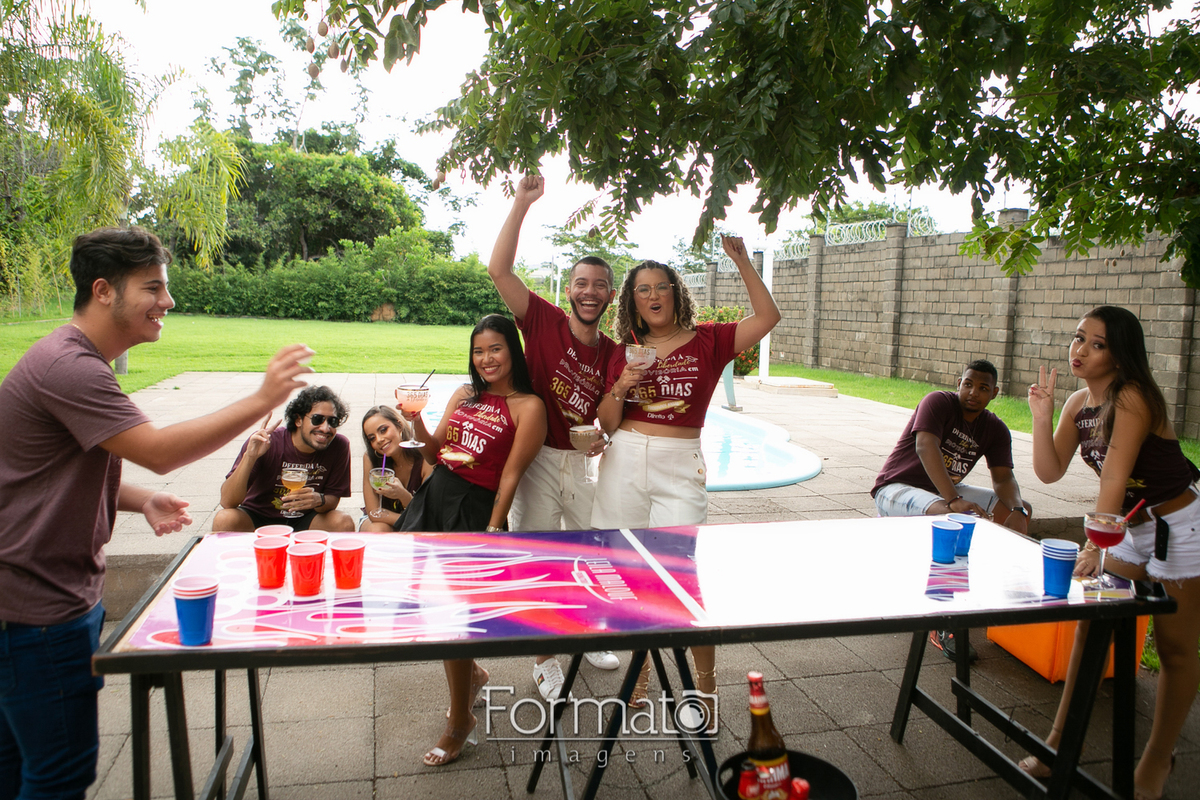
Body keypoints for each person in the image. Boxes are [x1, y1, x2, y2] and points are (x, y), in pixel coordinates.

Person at [0, 226, 312, 800]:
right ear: (103, 291)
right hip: (36, 609)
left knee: (17, 767)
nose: (167, 301)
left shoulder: (70, 358)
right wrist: (264, 399)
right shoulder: (70, 366)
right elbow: (161, 451)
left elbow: (44, 474)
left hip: (32, 601)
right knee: (57, 776)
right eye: (153, 287)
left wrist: (140, 498)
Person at [593, 236, 780, 726]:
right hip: (624, 458)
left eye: (661, 287)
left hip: (680, 463)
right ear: (632, 302)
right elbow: (607, 423)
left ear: (676, 293)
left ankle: (705, 685)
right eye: (642, 290)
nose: (653, 296)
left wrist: (743, 262)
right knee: (631, 573)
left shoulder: (710, 341)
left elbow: (767, 317)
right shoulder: (624, 352)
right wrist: (621, 386)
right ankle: (639, 677)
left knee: (683, 577)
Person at [1022, 306, 1199, 800]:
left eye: (1096, 344)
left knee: (1175, 648)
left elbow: (1115, 480)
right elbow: (1049, 471)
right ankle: (1060, 742)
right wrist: (1041, 417)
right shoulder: (1079, 401)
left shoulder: (1133, 397)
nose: (1080, 350)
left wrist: (1094, 547)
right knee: (1092, 624)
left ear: (1120, 355)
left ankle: (1158, 759)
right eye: (1078, 338)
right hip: (1127, 525)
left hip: (1179, 526)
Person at [486, 174, 623, 700]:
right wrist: (522, 203)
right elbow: (499, 271)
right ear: (570, 290)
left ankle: (588, 632)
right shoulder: (542, 321)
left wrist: (604, 434)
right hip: (538, 457)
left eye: (599, 285)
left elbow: (610, 413)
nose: (590, 292)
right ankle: (544, 657)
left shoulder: (612, 352)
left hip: (582, 462)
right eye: (581, 283)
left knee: (591, 548)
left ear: (610, 295)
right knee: (539, 554)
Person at [398, 314, 547, 767]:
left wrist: (494, 529)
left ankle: (460, 720)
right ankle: (475, 674)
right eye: (478, 351)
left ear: (512, 350)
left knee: (454, 616)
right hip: (435, 497)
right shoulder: (465, 394)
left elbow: (511, 475)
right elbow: (432, 451)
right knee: (425, 602)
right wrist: (416, 421)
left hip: (474, 508)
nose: (486, 359)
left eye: (495, 348)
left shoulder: (528, 407)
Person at [872, 359, 1031, 661]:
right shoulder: (938, 403)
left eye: (983, 388)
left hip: (942, 494)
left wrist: (1018, 511)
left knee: (1014, 509)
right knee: (951, 518)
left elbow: (1003, 478)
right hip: (896, 488)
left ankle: (1000, 600)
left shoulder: (995, 428)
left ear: (994, 393)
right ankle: (943, 621)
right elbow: (925, 446)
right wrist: (954, 499)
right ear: (959, 383)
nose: (973, 392)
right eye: (968, 384)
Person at [213, 386, 355, 533]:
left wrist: (320, 500)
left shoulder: (339, 445)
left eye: (333, 421)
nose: (325, 428)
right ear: (298, 420)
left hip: (306, 518)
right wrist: (250, 457)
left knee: (342, 522)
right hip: (258, 516)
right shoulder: (267, 441)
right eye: (317, 419)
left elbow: (332, 499)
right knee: (224, 519)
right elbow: (227, 501)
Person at [360, 405, 431, 531]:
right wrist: (409, 520)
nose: (379, 440)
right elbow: (374, 513)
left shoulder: (424, 459)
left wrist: (403, 496)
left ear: (399, 426)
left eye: (383, 430)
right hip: (382, 522)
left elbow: (426, 515)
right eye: (372, 438)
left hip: (419, 524)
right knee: (377, 530)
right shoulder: (370, 458)